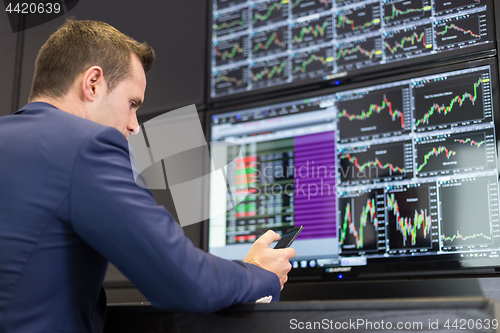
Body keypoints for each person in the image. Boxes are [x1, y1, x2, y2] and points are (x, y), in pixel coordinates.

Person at [0, 19, 295, 332]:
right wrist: (259, 273)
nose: (134, 125)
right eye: (131, 104)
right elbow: (186, 282)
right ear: (93, 83)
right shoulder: (86, 146)